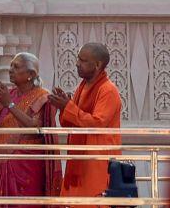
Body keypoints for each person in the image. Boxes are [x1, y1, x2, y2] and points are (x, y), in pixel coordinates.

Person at [47, 42, 122, 204]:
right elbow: (70, 124)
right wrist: (64, 107)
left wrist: (68, 107)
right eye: (78, 59)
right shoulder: (81, 88)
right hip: (78, 160)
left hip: (97, 162)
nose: (77, 64)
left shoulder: (108, 90)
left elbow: (97, 123)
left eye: (83, 60)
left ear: (97, 65)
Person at [0, 52, 62, 207]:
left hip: (27, 166)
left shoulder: (42, 97)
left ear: (31, 74)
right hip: (3, 164)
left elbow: (34, 127)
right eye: (11, 66)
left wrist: (10, 105)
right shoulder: (9, 95)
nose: (10, 70)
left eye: (16, 67)